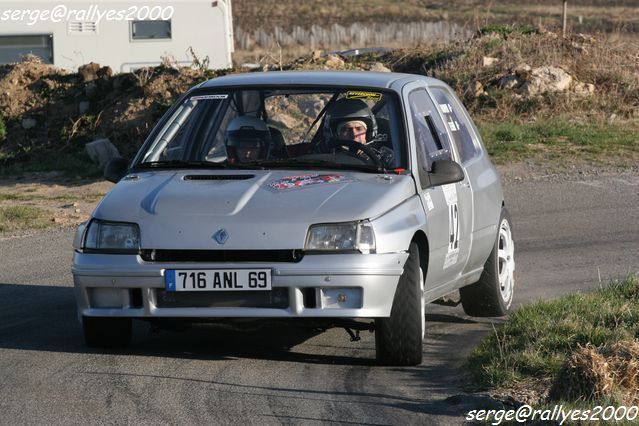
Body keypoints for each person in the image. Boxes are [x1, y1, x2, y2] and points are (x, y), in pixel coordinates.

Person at [323, 98, 394, 166]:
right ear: (335, 134)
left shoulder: (382, 160)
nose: (354, 135)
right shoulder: (323, 158)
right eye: (347, 129)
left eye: (359, 129)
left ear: (368, 133)